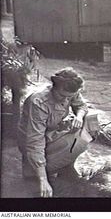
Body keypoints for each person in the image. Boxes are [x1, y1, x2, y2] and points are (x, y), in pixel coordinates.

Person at [17, 67, 96, 197]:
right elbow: (35, 141)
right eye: (62, 95)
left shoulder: (70, 89)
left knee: (90, 125)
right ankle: (34, 170)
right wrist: (43, 179)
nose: (65, 100)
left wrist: (79, 117)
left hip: (52, 133)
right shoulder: (39, 102)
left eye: (69, 97)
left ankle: (66, 166)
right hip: (31, 140)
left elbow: (81, 105)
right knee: (78, 141)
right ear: (54, 87)